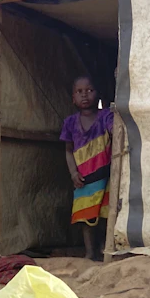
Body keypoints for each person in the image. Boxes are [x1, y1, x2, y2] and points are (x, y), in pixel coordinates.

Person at [60, 76, 113, 261]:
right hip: (84, 180)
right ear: (73, 98)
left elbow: (117, 132)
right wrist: (73, 172)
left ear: (98, 95)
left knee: (107, 215)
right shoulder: (69, 123)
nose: (85, 95)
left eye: (90, 90)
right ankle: (90, 253)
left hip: (106, 177)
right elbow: (68, 151)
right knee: (86, 218)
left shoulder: (106, 116)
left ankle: (105, 250)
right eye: (79, 92)